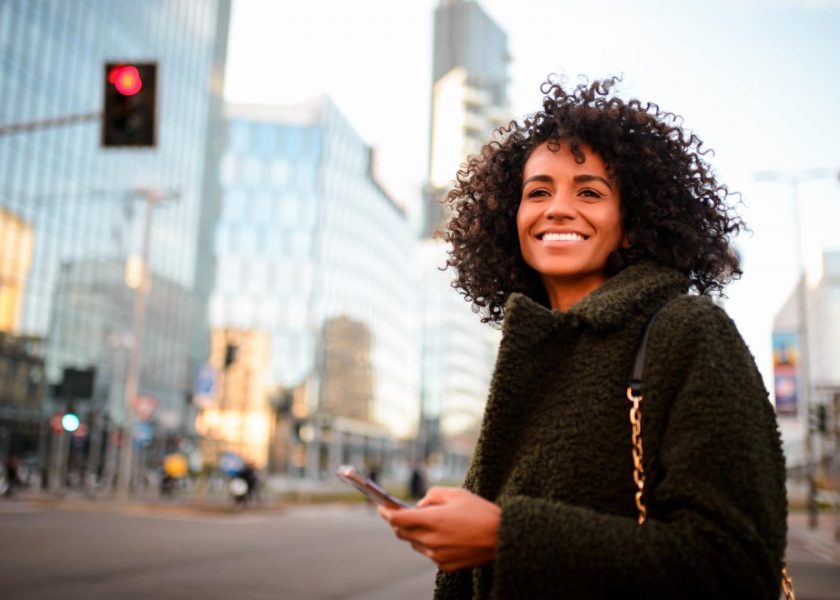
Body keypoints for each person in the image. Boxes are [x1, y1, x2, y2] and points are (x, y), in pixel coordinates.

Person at [378, 76, 788, 598]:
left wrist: (506, 536)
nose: (557, 208)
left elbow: (735, 564)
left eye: (589, 191)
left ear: (633, 223)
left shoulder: (689, 332)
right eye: (538, 192)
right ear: (513, 217)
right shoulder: (529, 355)